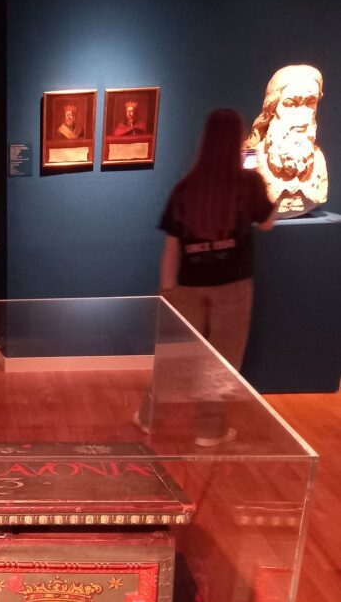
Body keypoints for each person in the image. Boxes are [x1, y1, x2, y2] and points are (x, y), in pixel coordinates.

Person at [136, 108, 276, 447]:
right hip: (233, 285)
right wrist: (274, 190)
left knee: (175, 357)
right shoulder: (248, 183)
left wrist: (167, 288)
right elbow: (267, 222)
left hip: (188, 286)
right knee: (222, 360)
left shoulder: (186, 187)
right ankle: (209, 431)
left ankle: (149, 418)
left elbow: (172, 243)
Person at [245, 64, 327, 218]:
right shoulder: (252, 158)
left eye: (310, 102)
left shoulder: (318, 160)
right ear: (272, 108)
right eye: (291, 103)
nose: (303, 115)